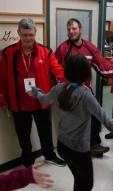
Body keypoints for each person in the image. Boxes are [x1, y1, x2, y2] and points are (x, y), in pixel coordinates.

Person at [30, 54, 113, 191]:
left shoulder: (59, 88)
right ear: (86, 73)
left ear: (67, 71)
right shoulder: (85, 95)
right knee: (86, 184)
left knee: (79, 179)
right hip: (79, 151)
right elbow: (108, 122)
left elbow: (43, 99)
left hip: (62, 147)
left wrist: (36, 91)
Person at [0, 18, 65, 167]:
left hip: (42, 101)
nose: (28, 38)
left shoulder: (46, 51)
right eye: (24, 35)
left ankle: (49, 155)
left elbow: (58, 71)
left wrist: (71, 84)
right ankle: (28, 159)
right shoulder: (8, 53)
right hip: (19, 104)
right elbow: (2, 79)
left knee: (46, 131)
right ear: (18, 33)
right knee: (23, 135)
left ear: (35, 32)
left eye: (31, 34)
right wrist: (3, 100)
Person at [55, 18, 113, 157]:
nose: (71, 31)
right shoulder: (63, 48)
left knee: (94, 115)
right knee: (75, 120)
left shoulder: (89, 47)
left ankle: (95, 144)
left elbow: (102, 64)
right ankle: (75, 147)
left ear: (80, 30)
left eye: (74, 28)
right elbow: (55, 68)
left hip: (86, 90)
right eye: (69, 29)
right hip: (70, 91)